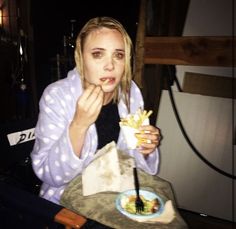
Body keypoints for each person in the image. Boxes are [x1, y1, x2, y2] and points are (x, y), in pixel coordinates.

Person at [31, 17, 161, 205]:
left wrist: (146, 148)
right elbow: (50, 174)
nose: (110, 66)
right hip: (67, 200)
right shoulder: (57, 96)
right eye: (98, 54)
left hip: (119, 191)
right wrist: (79, 124)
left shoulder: (130, 93)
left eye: (118, 55)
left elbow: (135, 162)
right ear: (81, 58)